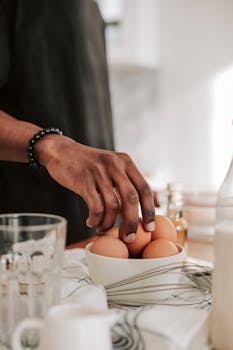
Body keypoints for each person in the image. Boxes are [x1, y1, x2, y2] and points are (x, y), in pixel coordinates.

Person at [0, 0, 155, 244]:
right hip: (21, 241)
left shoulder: (92, 8)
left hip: (89, 236)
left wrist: (117, 184)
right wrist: (52, 148)